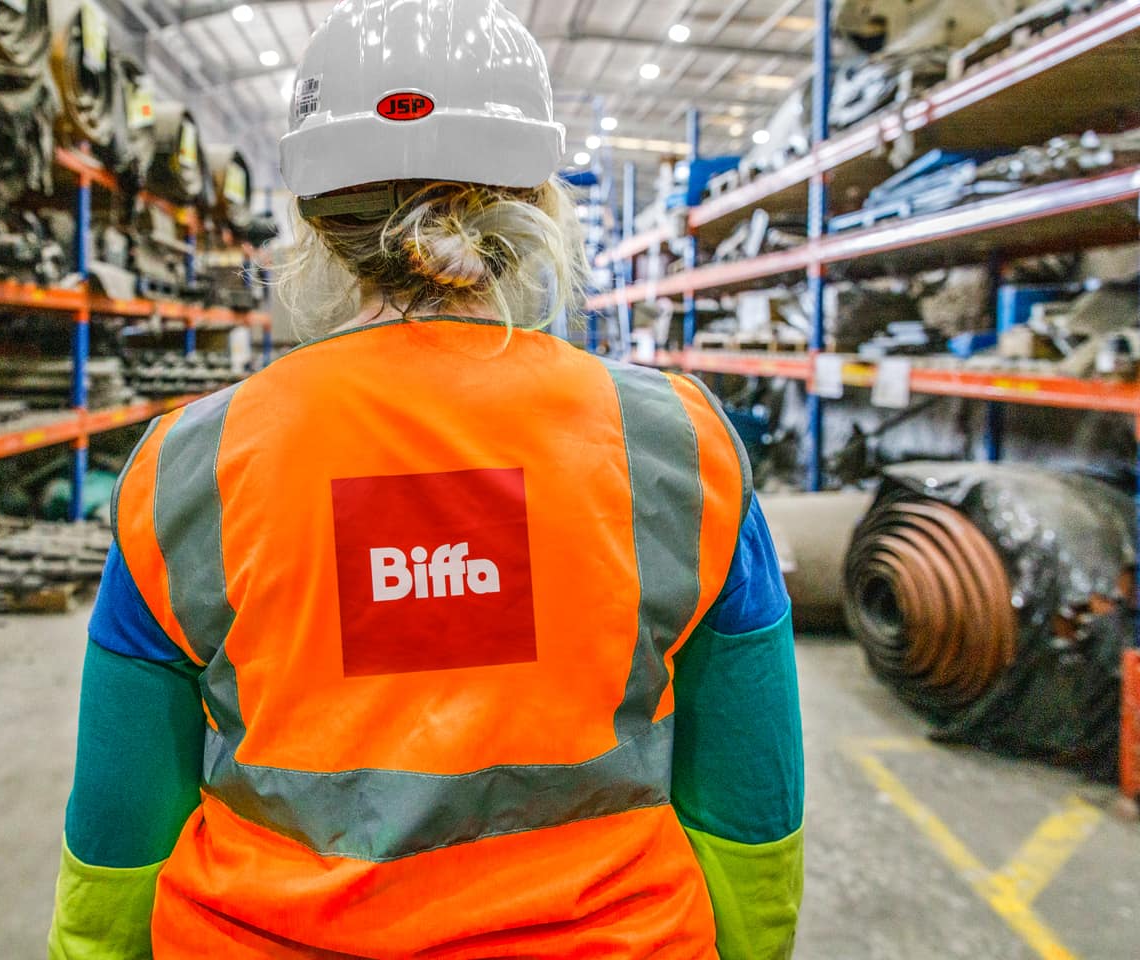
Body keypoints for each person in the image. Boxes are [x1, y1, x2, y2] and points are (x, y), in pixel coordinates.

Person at [47, 1, 804, 956]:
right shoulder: (681, 447)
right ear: (539, 195)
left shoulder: (187, 467)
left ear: (313, 215)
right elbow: (749, 803)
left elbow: (120, 821)